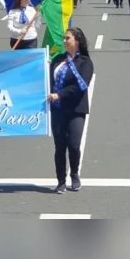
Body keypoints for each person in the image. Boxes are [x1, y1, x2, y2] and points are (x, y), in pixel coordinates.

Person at [48, 27, 94, 194]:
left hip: (76, 109)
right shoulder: (57, 60)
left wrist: (59, 95)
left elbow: (81, 86)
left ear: (77, 41)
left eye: (68, 38)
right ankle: (60, 180)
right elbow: (48, 80)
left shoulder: (85, 62)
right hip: (58, 110)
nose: (64, 41)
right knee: (60, 146)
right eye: (64, 38)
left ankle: (74, 174)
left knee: (73, 145)